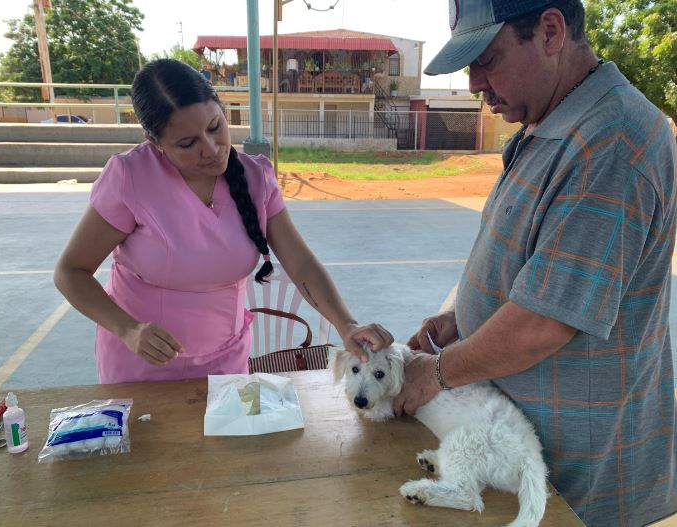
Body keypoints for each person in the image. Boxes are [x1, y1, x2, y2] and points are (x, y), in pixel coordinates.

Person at [393, 1, 677, 526]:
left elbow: (543, 323)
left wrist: (435, 372)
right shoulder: (545, 122)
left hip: (580, 474)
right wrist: (462, 319)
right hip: (513, 442)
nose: (475, 82)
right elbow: (528, 261)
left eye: (488, 58)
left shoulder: (611, 141)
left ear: (550, 31)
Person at [54, 58, 393, 384]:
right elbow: (71, 271)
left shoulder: (255, 176)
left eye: (215, 127)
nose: (211, 148)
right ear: (154, 143)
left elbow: (301, 263)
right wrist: (127, 329)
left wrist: (346, 325)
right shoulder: (131, 178)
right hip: (142, 364)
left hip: (225, 361)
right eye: (187, 143)